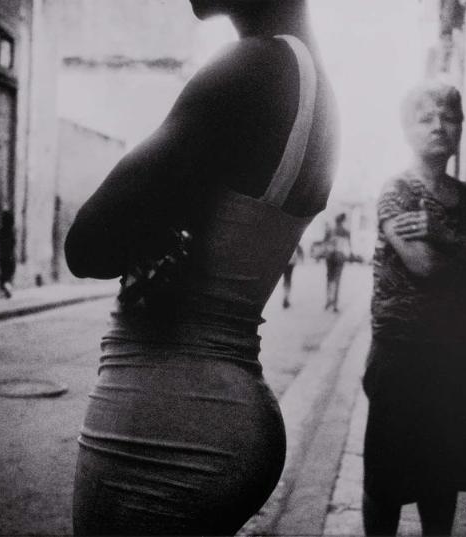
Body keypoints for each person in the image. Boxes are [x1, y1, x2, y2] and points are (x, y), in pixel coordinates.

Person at [64, 1, 338, 534]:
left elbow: (87, 245)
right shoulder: (316, 89)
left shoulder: (250, 67)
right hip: (220, 411)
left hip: (165, 425)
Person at [361, 81, 466, 536]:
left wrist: (443, 236)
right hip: (404, 353)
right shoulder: (397, 192)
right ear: (407, 129)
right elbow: (421, 265)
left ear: (461, 127)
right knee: (387, 479)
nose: (439, 126)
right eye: (426, 118)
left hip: (458, 353)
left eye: (449, 117)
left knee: (443, 478)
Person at [324, 212, 351, 312]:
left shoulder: (330, 231)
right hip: (340, 257)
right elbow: (348, 247)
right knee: (337, 280)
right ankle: (335, 304)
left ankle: (328, 300)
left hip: (330, 257)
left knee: (329, 279)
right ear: (342, 221)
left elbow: (325, 244)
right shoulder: (346, 232)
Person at [282, 243, 303, 309]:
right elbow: (300, 253)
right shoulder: (295, 243)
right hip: (290, 263)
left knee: (286, 280)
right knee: (288, 280)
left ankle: (286, 297)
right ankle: (286, 297)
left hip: (287, 263)